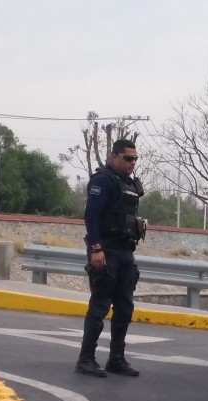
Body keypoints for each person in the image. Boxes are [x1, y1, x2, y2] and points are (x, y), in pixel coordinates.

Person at [75, 139, 146, 377]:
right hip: (105, 250)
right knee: (100, 305)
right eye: (128, 158)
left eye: (135, 158)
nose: (132, 163)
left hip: (125, 252)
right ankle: (86, 359)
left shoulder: (130, 183)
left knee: (125, 307)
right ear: (113, 156)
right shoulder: (103, 181)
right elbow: (91, 215)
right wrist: (96, 248)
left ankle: (116, 358)